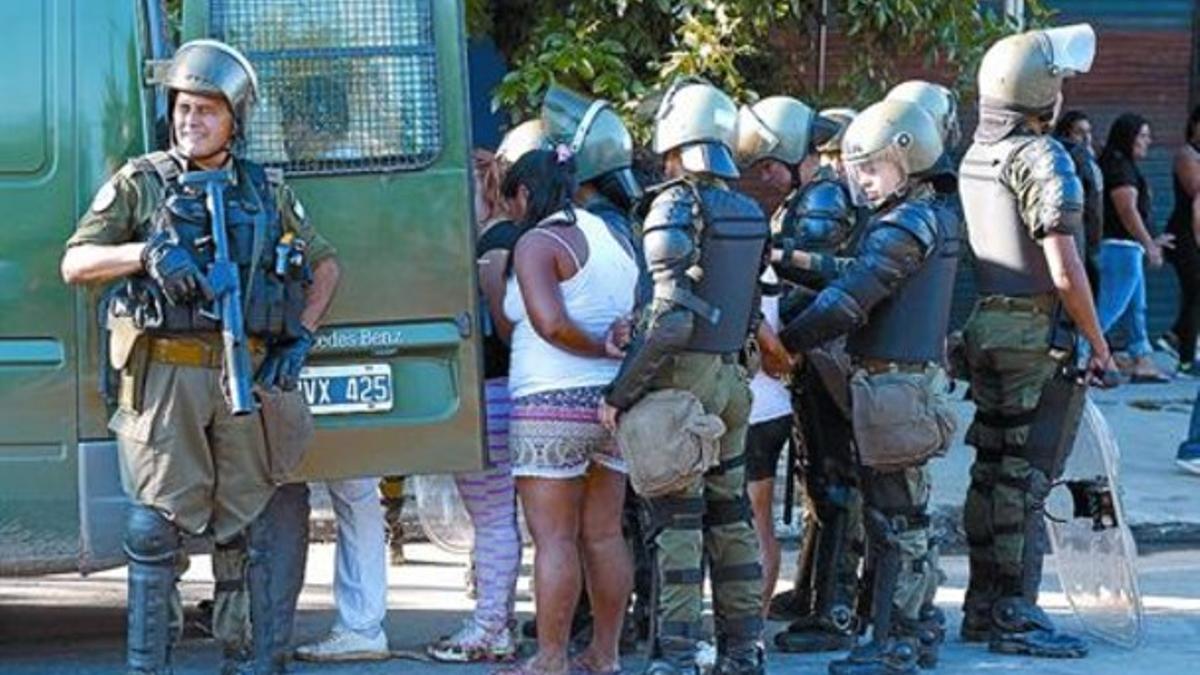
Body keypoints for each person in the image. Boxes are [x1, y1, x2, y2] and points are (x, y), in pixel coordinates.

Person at [59, 39, 341, 674]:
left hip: (250, 373)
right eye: (184, 108)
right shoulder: (142, 183)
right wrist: (145, 253)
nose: (190, 120)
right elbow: (75, 262)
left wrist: (301, 333)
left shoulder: (266, 190)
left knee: (263, 521)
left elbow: (326, 265)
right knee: (154, 529)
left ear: (234, 120)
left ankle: (255, 660)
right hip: (167, 377)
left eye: (206, 111)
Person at [777, 97, 961, 673]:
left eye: (873, 167)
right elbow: (856, 273)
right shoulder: (927, 215)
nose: (862, 180)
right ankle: (914, 629)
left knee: (895, 520)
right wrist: (788, 257)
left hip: (894, 387)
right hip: (901, 386)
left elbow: (851, 298)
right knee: (905, 515)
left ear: (909, 157)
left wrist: (788, 342)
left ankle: (895, 641)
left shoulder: (905, 222)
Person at [600, 78, 769, 675]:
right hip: (730, 380)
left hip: (681, 383)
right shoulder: (749, 209)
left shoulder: (675, 204)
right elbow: (746, 307)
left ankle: (675, 656)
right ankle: (743, 652)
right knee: (732, 520)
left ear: (673, 137)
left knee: (677, 525)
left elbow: (670, 319)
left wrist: (619, 394)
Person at [958, 23, 1114, 659]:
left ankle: (980, 606)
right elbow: (1065, 266)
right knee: (1025, 481)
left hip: (986, 326)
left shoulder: (975, 154)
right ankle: (1015, 614)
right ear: (1039, 92)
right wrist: (1099, 342)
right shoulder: (1041, 157)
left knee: (990, 470)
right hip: (1034, 335)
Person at [499, 147, 637, 675]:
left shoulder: (537, 242)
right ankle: (606, 654)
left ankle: (551, 658)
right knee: (603, 533)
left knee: (554, 537)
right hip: (612, 404)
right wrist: (611, 354)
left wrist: (597, 346)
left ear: (527, 194)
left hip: (549, 402)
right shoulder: (612, 236)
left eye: (512, 200)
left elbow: (549, 323)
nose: (511, 212)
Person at [541, 86, 655, 648]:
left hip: (589, 387)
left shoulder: (579, 228)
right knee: (613, 525)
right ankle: (614, 636)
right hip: (624, 384)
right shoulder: (628, 220)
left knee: (587, 529)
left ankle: (590, 633)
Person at [427, 134, 545, 663]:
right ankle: (494, 619)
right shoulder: (506, 236)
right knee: (503, 517)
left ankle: (490, 626)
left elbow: (501, 327)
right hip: (506, 390)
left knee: (494, 517)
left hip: (493, 390)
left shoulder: (492, 244)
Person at [760, 107, 868, 656]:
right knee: (818, 479)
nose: (766, 173)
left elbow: (817, 279)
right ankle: (811, 592)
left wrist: (787, 344)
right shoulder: (811, 193)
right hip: (813, 357)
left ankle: (835, 605)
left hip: (825, 355)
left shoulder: (823, 196)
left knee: (835, 479)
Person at [731, 95, 819, 620]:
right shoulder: (769, 218)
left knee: (744, 520)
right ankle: (752, 627)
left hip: (755, 402)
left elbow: (757, 315)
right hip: (772, 402)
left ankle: (744, 628)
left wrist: (778, 353)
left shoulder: (747, 225)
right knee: (756, 517)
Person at [1097, 113, 1173, 382]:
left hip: (1127, 248)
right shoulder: (1119, 167)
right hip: (1120, 249)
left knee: (1134, 309)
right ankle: (1084, 354)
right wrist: (1149, 244)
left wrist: (1151, 241)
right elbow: (1127, 210)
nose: (1148, 141)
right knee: (1110, 308)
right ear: (1128, 137)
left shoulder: (1122, 164)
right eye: (1142, 135)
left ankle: (1142, 359)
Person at [1165, 106, 1200, 375]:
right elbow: (1195, 189)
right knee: (1196, 291)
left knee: (1195, 294)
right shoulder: (1187, 154)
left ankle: (1177, 338)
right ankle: (1185, 356)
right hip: (1185, 234)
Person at [1054, 111, 1105, 292]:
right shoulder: (1077, 156)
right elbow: (1092, 204)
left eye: (1088, 132)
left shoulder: (1084, 158)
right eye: (1080, 132)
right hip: (1079, 237)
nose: (1086, 138)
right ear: (1066, 134)